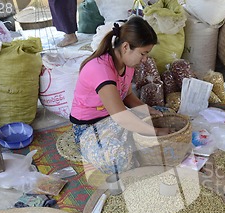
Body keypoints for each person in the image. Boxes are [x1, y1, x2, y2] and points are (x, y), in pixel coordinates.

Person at [70, 16, 171, 175]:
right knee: (120, 162)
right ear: (125, 47)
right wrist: (156, 132)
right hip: (89, 128)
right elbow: (121, 117)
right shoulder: (100, 69)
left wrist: (149, 110)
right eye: (143, 53)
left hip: (112, 119)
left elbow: (127, 95)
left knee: (165, 115)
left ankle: (137, 138)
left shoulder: (127, 64)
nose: (145, 60)